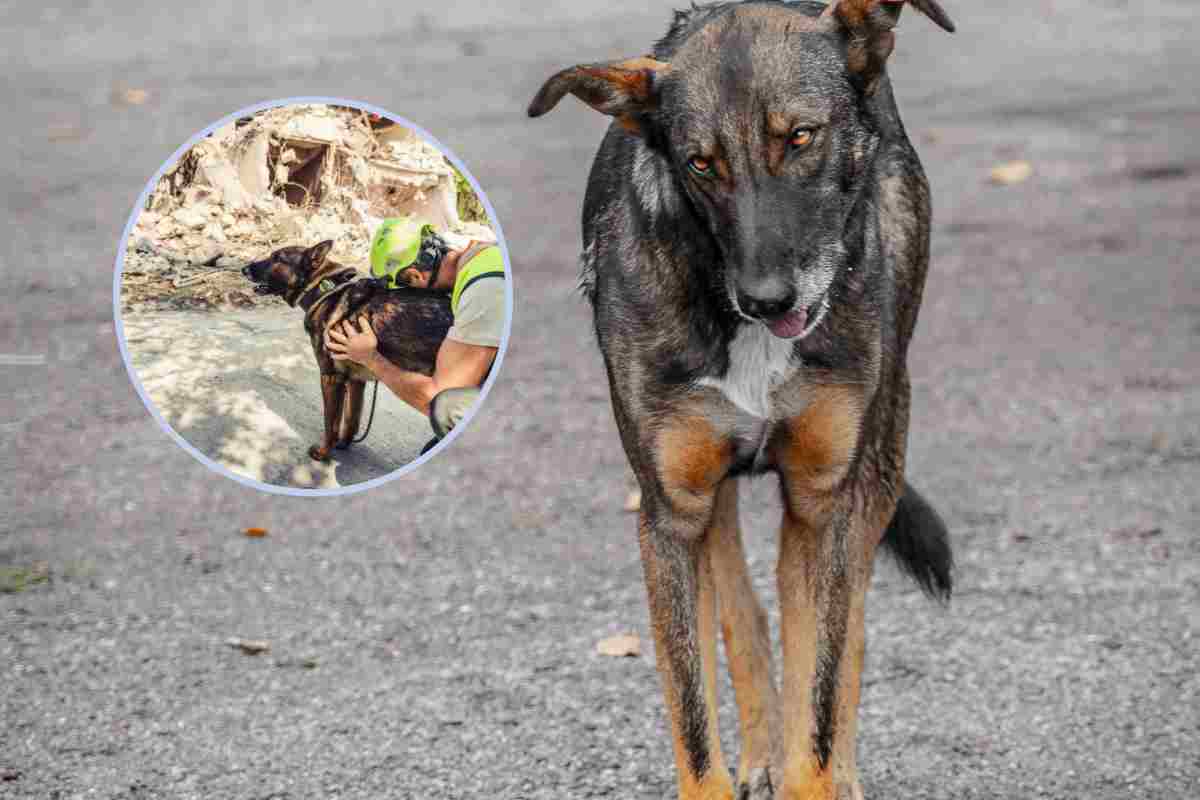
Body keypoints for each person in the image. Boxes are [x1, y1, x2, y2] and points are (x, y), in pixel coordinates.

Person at [325, 218, 505, 441]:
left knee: (447, 409)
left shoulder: (483, 289)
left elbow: (436, 398)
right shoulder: (483, 253)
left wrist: (370, 358)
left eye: (405, 290)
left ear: (415, 276)